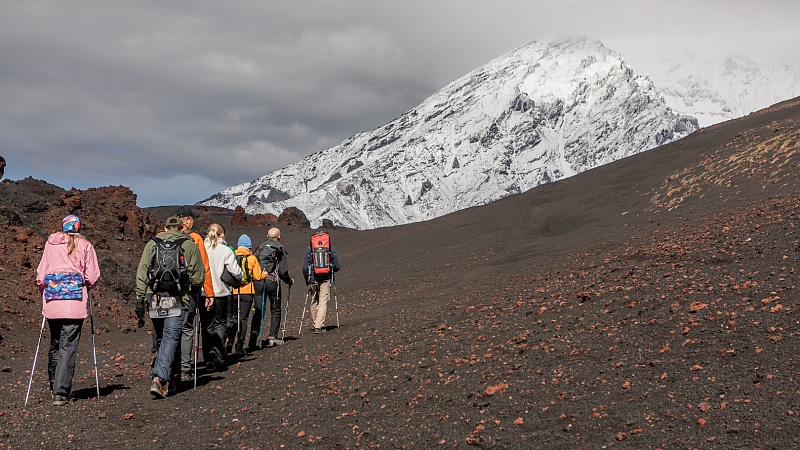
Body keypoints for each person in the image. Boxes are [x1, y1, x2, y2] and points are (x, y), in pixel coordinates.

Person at [135, 216, 204, 398]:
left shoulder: (152, 244)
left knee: (162, 339)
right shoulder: (189, 245)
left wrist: (140, 298)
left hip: (155, 296)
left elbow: (142, 272)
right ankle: (160, 378)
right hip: (179, 297)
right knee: (172, 337)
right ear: (181, 228)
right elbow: (198, 278)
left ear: (165, 227)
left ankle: (170, 379)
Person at [36, 214, 101, 406]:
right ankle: (60, 392)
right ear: (78, 227)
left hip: (52, 303)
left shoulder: (51, 244)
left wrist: (46, 290)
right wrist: (85, 284)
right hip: (74, 304)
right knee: (67, 346)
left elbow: (41, 276)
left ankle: (54, 386)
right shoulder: (86, 246)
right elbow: (92, 276)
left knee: (55, 342)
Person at [174, 207, 214, 379]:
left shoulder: (162, 237)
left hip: (166, 292)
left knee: (169, 328)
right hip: (189, 291)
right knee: (187, 327)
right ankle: (184, 368)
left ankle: (167, 365)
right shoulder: (195, 238)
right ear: (187, 220)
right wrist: (209, 294)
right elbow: (204, 268)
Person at [204, 223, 241, 370]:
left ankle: (208, 360)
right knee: (220, 323)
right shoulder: (225, 250)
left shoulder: (202, 249)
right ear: (222, 234)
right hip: (221, 293)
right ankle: (217, 350)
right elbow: (236, 272)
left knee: (207, 325)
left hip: (204, 293)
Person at [252, 227, 293, 348]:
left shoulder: (259, 248)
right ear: (279, 237)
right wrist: (289, 281)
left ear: (267, 236)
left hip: (258, 282)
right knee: (275, 309)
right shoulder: (279, 249)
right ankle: (272, 337)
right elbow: (283, 271)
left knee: (258, 309)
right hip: (273, 283)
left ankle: (253, 338)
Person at [229, 234, 266, 356]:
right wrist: (265, 274)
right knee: (243, 319)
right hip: (247, 293)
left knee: (234, 317)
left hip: (234, 291)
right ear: (249, 247)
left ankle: (229, 342)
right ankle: (240, 345)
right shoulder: (252, 258)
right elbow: (258, 276)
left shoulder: (232, 256)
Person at [301, 232, 340, 334]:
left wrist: (307, 280)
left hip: (312, 279)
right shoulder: (331, 248)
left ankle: (316, 324)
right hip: (325, 278)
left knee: (314, 301)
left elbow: (304, 267)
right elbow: (337, 266)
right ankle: (319, 326)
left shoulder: (309, 249)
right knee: (323, 301)